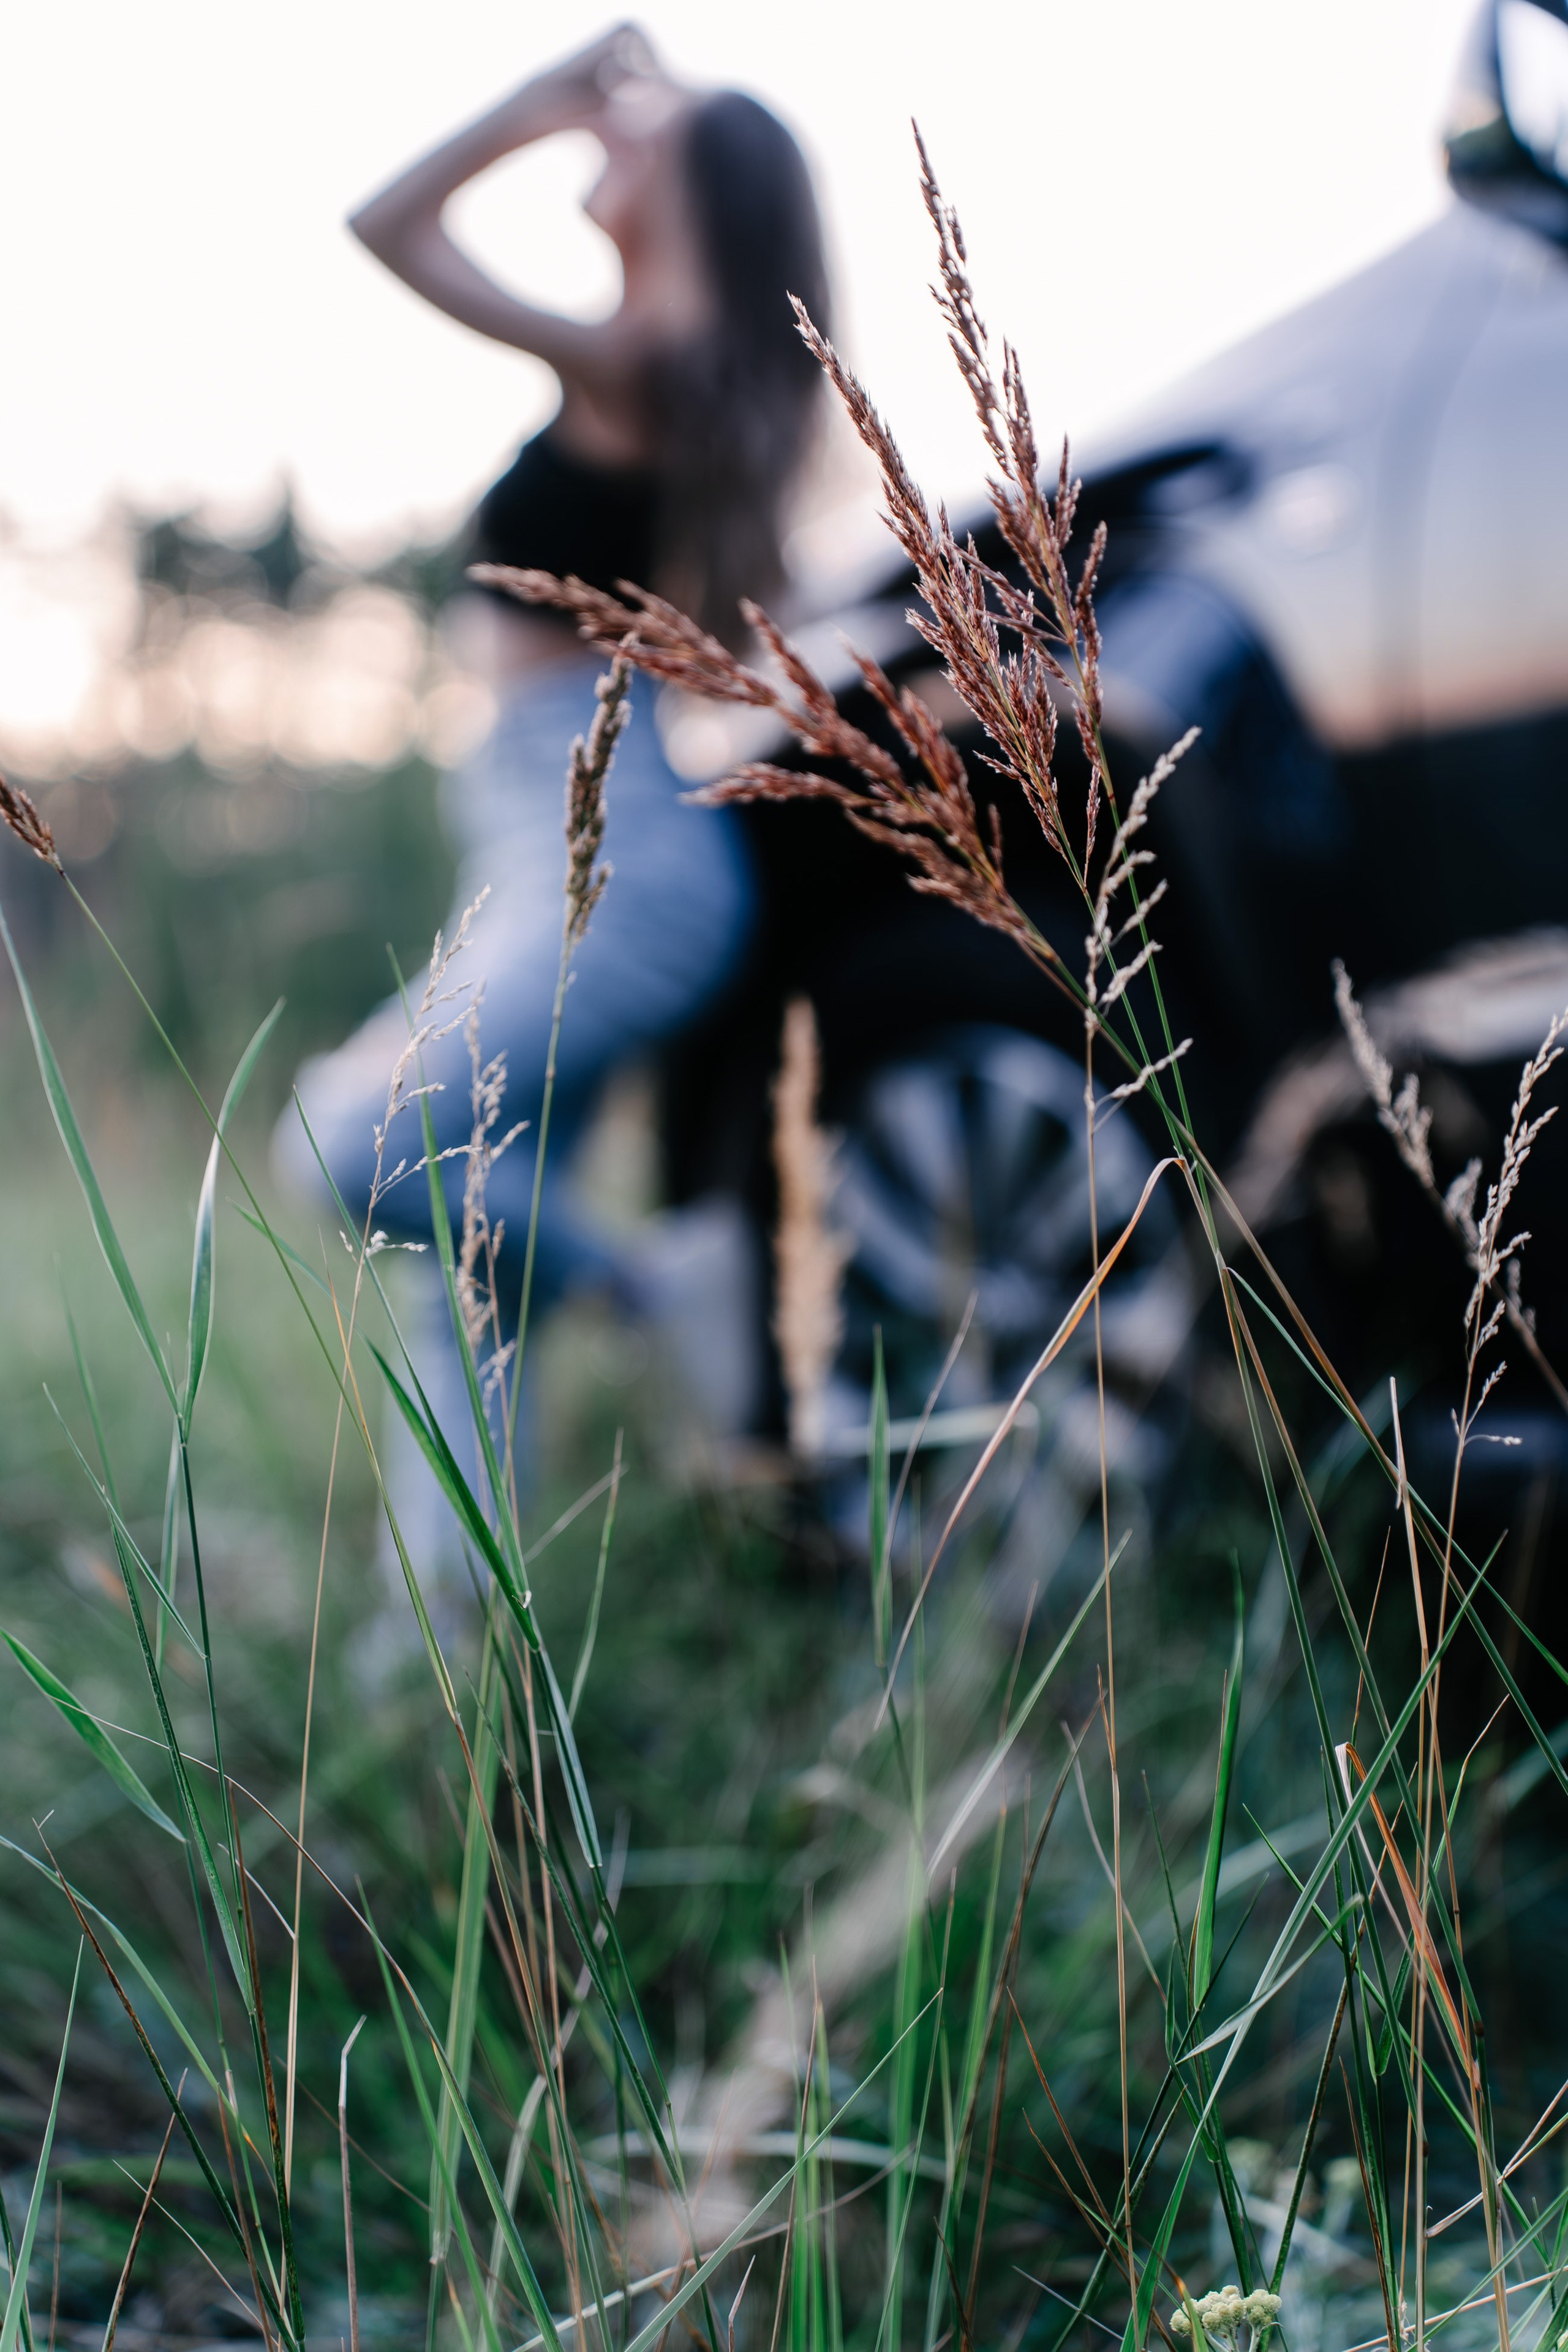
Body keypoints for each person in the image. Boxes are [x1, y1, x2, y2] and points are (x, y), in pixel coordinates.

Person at [276, 28, 830, 1531]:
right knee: (470, 1289)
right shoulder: (683, 368)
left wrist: (540, 98)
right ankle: (445, 1642)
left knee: (348, 1145)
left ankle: (661, 1281)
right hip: (563, 843)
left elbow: (387, 226)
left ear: (699, 190)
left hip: (609, 860)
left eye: (646, 132)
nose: (612, 137)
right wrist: (606, 109)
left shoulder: (648, 358)